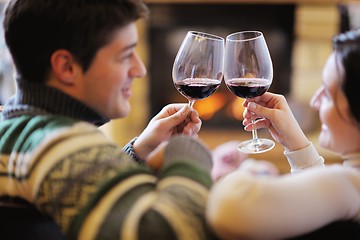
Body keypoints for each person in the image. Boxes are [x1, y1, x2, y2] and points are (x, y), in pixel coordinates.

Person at [0, 0, 218, 239]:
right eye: (125, 56)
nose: (139, 69)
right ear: (67, 67)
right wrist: (187, 157)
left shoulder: (18, 129)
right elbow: (168, 232)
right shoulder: (60, 144)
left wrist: (139, 151)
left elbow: (73, 189)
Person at [207, 28, 360, 239]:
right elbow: (320, 198)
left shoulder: (349, 184)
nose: (315, 102)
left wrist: (249, 170)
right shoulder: (349, 186)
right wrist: (296, 143)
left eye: (327, 93)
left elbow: (225, 207)